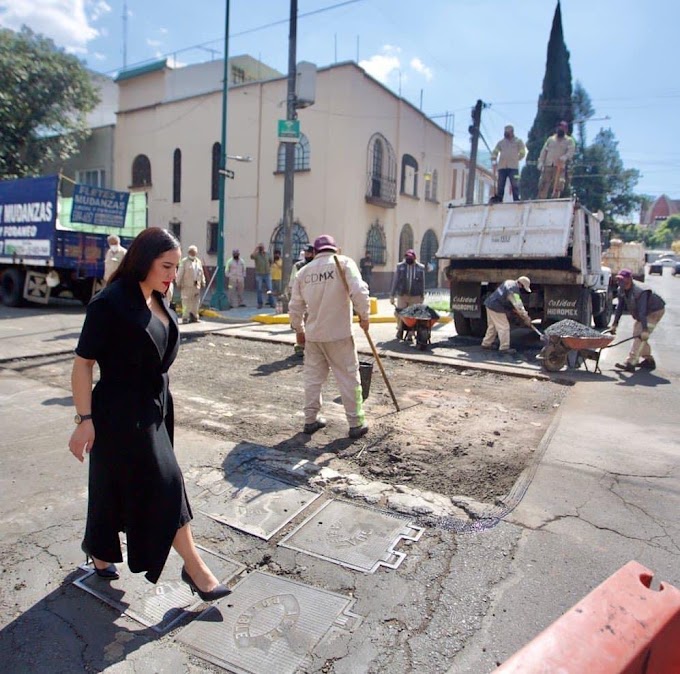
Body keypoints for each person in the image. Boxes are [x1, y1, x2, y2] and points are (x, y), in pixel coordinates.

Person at [68, 227, 229, 601]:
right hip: (120, 413)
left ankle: (100, 549)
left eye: (175, 267)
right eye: (166, 266)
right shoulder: (108, 304)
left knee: (112, 482)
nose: (173, 274)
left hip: (155, 407)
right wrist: (84, 420)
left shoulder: (158, 295)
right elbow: (82, 364)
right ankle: (196, 568)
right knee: (166, 481)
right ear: (143, 261)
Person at [289, 234, 370, 439]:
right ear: (335, 249)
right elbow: (359, 291)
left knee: (313, 379)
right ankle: (355, 423)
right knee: (349, 377)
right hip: (339, 334)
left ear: (315, 252)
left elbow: (295, 305)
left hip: (314, 335)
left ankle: (310, 420)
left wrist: (298, 329)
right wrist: (364, 316)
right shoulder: (344, 263)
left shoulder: (304, 272)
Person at [610, 269, 665, 372]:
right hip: (645, 312)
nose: (620, 282)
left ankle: (631, 362)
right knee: (639, 335)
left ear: (630, 279)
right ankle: (649, 361)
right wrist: (614, 324)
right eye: (619, 280)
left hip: (655, 311)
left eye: (623, 280)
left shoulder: (640, 291)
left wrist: (644, 329)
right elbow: (620, 307)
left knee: (639, 334)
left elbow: (642, 311)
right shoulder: (621, 289)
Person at [481, 276, 533, 354]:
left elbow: (505, 298)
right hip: (496, 307)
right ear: (521, 285)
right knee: (504, 327)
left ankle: (486, 343)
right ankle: (504, 348)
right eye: (523, 288)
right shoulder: (513, 290)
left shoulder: (509, 282)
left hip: (490, 304)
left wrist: (513, 309)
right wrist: (526, 317)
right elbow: (518, 305)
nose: (522, 290)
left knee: (493, 326)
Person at [390, 249, 425, 341]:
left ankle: (411, 333)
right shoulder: (400, 266)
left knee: (413, 315)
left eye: (410, 258)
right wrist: (392, 295)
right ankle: (400, 329)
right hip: (402, 294)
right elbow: (395, 281)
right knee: (399, 313)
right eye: (407, 257)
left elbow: (422, 282)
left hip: (415, 295)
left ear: (414, 258)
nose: (408, 259)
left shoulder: (420, 267)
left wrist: (422, 295)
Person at [287, 245, 316, 357]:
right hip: (301, 295)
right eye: (306, 253)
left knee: (311, 321)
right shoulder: (298, 265)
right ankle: (301, 344)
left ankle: (311, 345)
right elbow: (293, 281)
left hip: (313, 296)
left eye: (309, 253)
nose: (307, 254)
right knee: (298, 322)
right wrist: (291, 293)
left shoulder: (317, 265)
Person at [537, 121, 576, 199]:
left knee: (558, 184)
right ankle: (541, 199)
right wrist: (541, 162)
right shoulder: (550, 139)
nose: (560, 129)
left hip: (559, 166)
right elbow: (544, 151)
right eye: (559, 127)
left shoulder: (569, 140)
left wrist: (565, 157)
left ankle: (555, 199)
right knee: (543, 183)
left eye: (563, 127)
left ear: (566, 129)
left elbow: (571, 151)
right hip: (548, 165)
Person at [491, 125, 526, 202]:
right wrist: (494, 158)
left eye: (508, 132)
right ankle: (499, 199)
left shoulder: (518, 141)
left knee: (515, 184)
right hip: (502, 167)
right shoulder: (501, 142)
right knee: (500, 184)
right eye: (505, 132)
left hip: (514, 167)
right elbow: (495, 151)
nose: (506, 134)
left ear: (512, 132)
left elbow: (523, 152)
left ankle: (516, 199)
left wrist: (517, 158)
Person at [176, 245, 206, 324]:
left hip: (196, 286)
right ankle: (185, 317)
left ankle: (194, 317)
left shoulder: (198, 261)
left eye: (195, 252)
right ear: (189, 252)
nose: (194, 253)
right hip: (186, 286)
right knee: (186, 302)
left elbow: (201, 272)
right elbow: (180, 273)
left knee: (196, 302)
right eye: (192, 252)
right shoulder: (184, 261)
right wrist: (178, 283)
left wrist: (203, 281)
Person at [250, 243, 275, 309]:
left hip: (267, 274)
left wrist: (269, 267)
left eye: (262, 247)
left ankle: (271, 302)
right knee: (259, 289)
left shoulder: (267, 254)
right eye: (260, 247)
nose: (261, 248)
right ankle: (260, 303)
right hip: (259, 274)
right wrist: (256, 249)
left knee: (269, 289)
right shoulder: (256, 255)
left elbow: (271, 261)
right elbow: (251, 256)